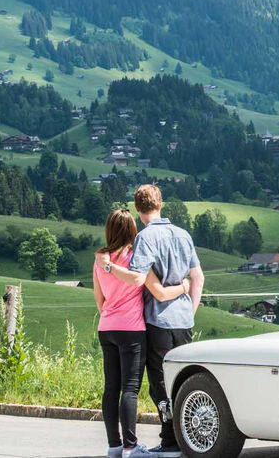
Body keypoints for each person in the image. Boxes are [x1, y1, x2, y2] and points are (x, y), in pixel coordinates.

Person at [103, 185, 204, 458]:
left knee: (159, 383)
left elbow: (141, 279)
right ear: (161, 204)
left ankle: (170, 439)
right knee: (183, 379)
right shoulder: (184, 235)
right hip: (183, 320)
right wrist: (189, 310)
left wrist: (109, 266)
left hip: (157, 320)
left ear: (137, 209)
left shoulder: (145, 239)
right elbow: (198, 278)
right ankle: (187, 437)